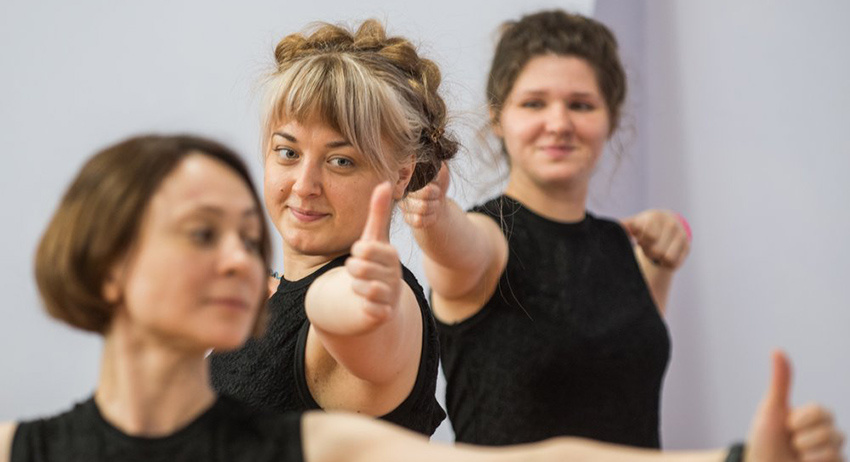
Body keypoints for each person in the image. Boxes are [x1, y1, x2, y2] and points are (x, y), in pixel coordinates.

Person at [0, 134, 843, 462]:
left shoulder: (306, 445)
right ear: (108, 267)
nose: (237, 257)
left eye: (243, 235)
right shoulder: (27, 449)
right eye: (199, 233)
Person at [401, 10, 691, 446]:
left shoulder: (620, 244)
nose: (558, 124)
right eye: (534, 103)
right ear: (498, 117)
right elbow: (452, 242)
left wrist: (675, 234)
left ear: (611, 119)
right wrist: (433, 208)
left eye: (581, 105)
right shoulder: (488, 239)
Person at [209, 19, 453, 435]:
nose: (304, 185)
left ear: (401, 175)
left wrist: (361, 305)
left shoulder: (380, 298)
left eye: (341, 161)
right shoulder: (267, 295)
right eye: (288, 152)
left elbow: (349, 316)